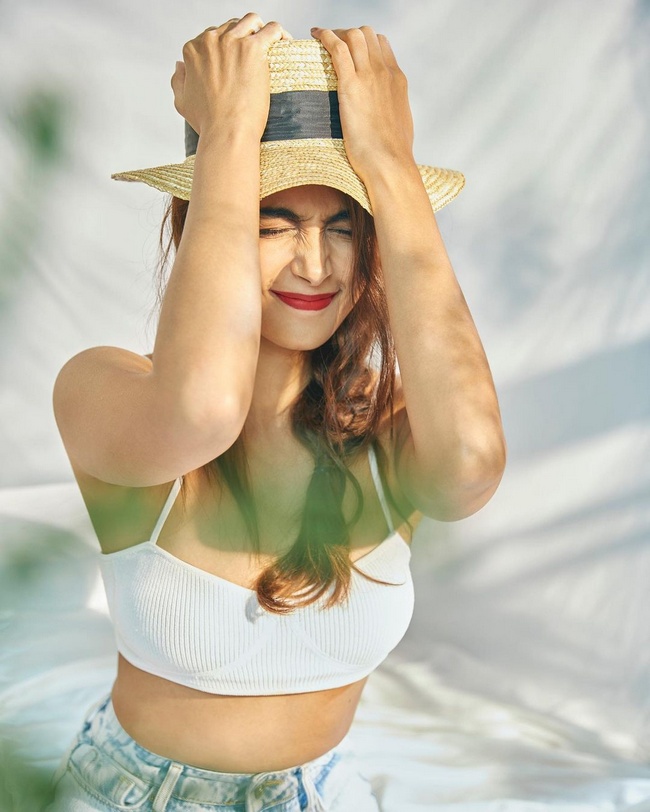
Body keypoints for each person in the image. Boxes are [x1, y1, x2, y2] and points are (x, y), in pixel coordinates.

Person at [46, 13, 507, 812]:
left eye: (344, 227)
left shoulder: (387, 432)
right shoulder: (103, 387)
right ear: (211, 219)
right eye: (272, 223)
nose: (316, 265)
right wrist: (227, 136)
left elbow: (471, 463)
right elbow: (201, 410)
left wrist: (390, 164)